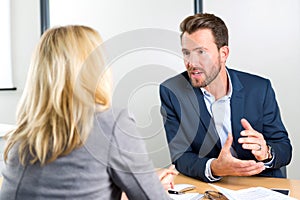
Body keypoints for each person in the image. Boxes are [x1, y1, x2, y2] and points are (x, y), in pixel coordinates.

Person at [0, 25, 177, 199]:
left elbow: (70, 188)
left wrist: (143, 182)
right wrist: (148, 186)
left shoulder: (23, 134)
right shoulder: (110, 124)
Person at [159, 13, 292, 183]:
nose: (191, 62)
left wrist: (266, 152)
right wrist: (214, 167)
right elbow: (180, 155)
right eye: (186, 53)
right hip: (213, 186)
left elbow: (284, 149)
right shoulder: (172, 91)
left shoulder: (259, 89)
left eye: (201, 52)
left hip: (261, 184)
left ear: (223, 53)